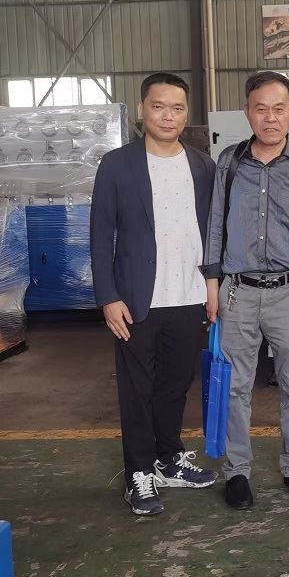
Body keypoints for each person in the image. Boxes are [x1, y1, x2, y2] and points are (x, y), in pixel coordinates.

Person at [203, 71, 289, 510]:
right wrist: (212, 287)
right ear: (247, 112)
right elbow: (215, 226)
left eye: (279, 109)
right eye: (261, 109)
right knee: (235, 388)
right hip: (237, 293)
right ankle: (237, 472)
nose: (270, 118)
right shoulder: (230, 162)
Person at [90, 72, 217, 516]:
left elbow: (212, 233)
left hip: (190, 295)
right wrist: (107, 296)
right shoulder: (117, 165)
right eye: (159, 106)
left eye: (177, 108)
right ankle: (139, 473)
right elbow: (100, 234)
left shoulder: (203, 166)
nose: (168, 116)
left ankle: (168, 459)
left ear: (186, 113)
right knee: (137, 390)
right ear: (142, 109)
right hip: (135, 299)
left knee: (176, 386)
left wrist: (214, 286)